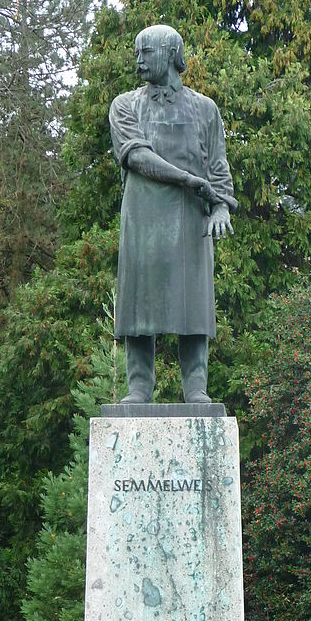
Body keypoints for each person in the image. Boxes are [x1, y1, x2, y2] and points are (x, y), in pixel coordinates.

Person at [109, 24, 237, 404]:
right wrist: (187, 179)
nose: (138, 60)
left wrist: (220, 207)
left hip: (190, 219)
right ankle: (138, 386)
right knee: (138, 303)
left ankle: (196, 386)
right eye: (137, 52)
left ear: (170, 54)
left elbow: (218, 170)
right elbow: (137, 157)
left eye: (146, 52)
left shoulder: (205, 109)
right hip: (141, 218)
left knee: (192, 303)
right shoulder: (124, 105)